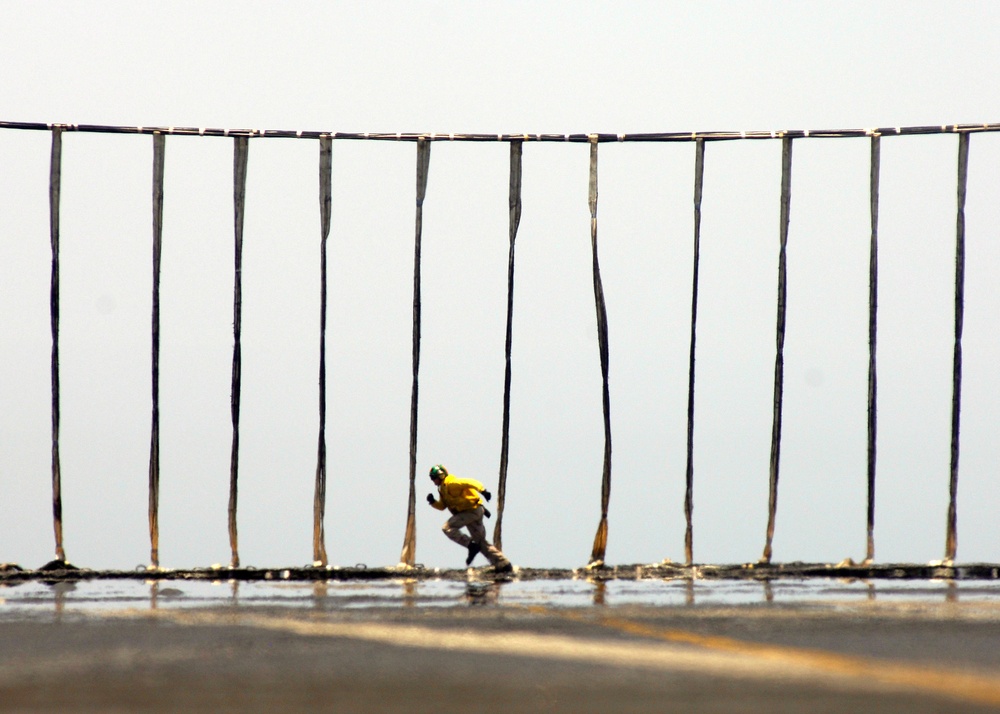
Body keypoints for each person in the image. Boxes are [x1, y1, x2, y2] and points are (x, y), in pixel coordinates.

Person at [426, 464, 513, 573]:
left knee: (447, 527)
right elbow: (443, 506)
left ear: (441, 475)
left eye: (434, 478)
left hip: (471, 512)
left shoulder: (451, 484)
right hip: (474, 512)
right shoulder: (443, 489)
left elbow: (470, 482)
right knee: (480, 542)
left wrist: (483, 491)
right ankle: (504, 564)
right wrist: (433, 502)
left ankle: (470, 545)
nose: (433, 480)